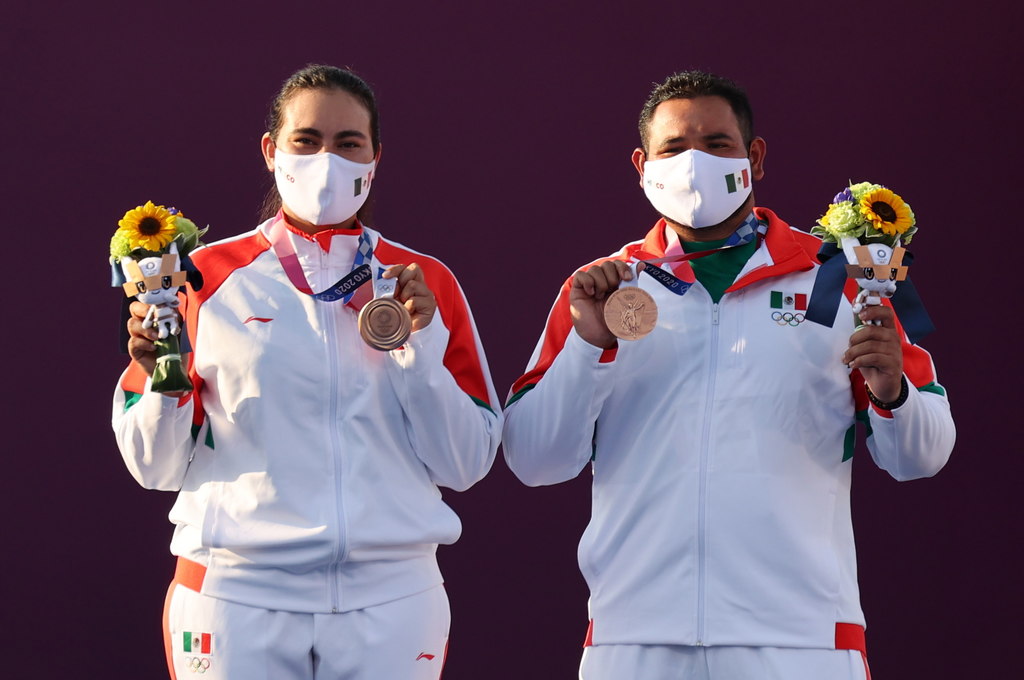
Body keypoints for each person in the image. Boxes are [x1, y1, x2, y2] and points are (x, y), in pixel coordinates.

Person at [502, 70, 954, 680]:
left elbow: (922, 455)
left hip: (801, 640)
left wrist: (892, 392)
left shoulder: (837, 279)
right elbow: (534, 458)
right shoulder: (602, 289)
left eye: (716, 144)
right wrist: (589, 344)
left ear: (755, 157)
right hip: (635, 638)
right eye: (673, 148)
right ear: (642, 165)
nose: (694, 164)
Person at [113, 64, 501, 679]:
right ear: (272, 151)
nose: (328, 160)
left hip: (393, 596)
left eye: (348, 143)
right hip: (236, 594)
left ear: (375, 157)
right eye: (307, 140)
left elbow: (467, 461)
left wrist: (416, 348)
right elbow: (154, 467)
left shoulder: (423, 283)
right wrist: (162, 381)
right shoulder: (202, 279)